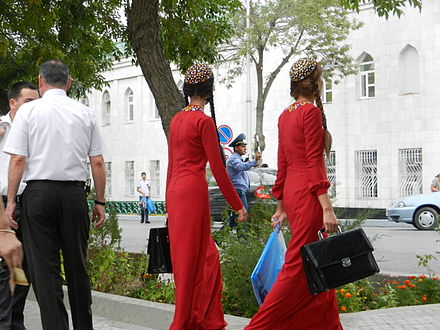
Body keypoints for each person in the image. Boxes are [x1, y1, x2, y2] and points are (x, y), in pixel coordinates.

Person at [4, 60, 107, 330]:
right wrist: (99, 201)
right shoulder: (85, 113)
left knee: (45, 271)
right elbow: (97, 161)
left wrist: (12, 201)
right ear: (68, 83)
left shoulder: (28, 112)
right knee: (77, 267)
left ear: (40, 82)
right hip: (74, 195)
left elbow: (17, 160)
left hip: (38, 196)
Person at [245, 58, 341, 329]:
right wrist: (327, 207)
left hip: (294, 193)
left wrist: (280, 205)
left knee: (318, 262)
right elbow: (313, 162)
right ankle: (258, 326)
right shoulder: (309, 113)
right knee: (299, 264)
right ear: (316, 83)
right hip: (310, 196)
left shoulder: (286, 114)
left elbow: (283, 161)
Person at [166, 64, 247, 329]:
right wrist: (237, 205)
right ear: (209, 90)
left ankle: (196, 317)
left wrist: (168, 203)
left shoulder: (177, 119)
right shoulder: (203, 121)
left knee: (187, 258)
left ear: (188, 89)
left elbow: (171, 164)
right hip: (193, 191)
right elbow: (219, 170)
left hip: (176, 193)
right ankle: (190, 320)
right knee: (201, 258)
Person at [0, 81, 39, 330]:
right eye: (28, 102)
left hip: (30, 204)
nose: (33, 108)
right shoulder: (2, 127)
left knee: (25, 267)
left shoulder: (38, 130)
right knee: (4, 268)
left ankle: (16, 320)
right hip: (3, 205)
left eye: (37, 103)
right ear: (12, 103)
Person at [226, 133, 262, 227]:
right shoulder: (234, 159)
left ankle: (221, 237)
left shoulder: (237, 159)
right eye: (243, 146)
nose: (245, 148)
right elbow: (241, 167)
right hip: (238, 191)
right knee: (243, 215)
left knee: (236, 217)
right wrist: (255, 161)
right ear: (236, 148)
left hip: (239, 191)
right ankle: (242, 239)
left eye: (245, 146)